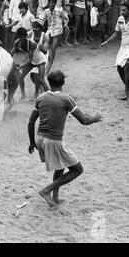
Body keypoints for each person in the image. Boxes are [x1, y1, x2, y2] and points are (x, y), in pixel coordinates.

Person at [28, 71, 102, 207]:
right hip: (53, 140)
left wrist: (32, 142)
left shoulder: (41, 98)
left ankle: (55, 197)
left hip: (40, 139)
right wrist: (94, 119)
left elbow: (31, 122)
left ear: (49, 82)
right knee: (77, 169)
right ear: (63, 83)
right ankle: (47, 191)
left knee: (60, 166)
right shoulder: (65, 98)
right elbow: (84, 120)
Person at [100, 2, 129, 100]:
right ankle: (128, 87)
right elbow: (116, 33)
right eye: (121, 10)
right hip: (123, 47)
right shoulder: (120, 19)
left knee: (126, 66)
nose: (122, 12)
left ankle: (126, 91)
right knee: (119, 68)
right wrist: (107, 42)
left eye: (124, 10)